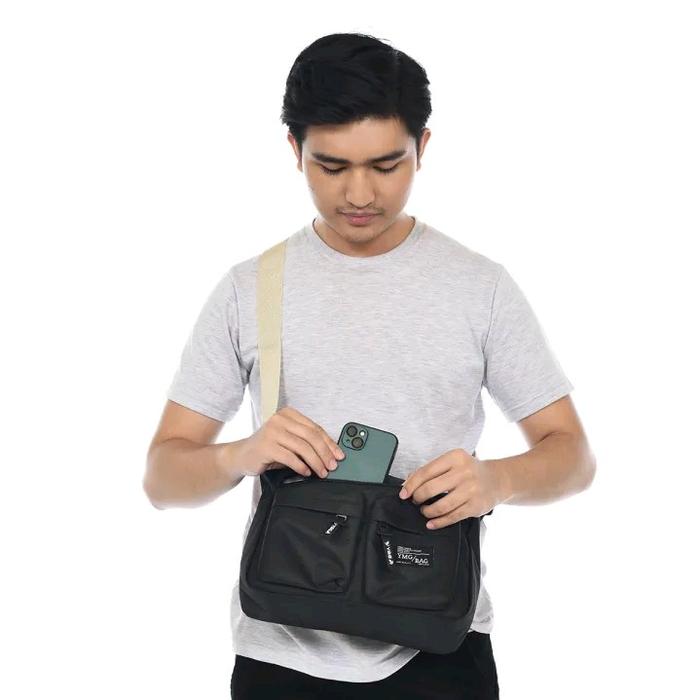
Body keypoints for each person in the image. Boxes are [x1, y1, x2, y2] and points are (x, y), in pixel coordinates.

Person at [143, 32, 596, 700]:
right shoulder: (250, 288)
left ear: (423, 147)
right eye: (331, 166)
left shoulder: (480, 287)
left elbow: (574, 457)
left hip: (440, 647)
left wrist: (497, 480)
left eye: (387, 165)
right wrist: (240, 454)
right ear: (294, 150)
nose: (359, 193)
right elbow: (161, 479)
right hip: (281, 654)